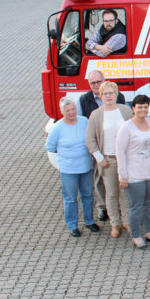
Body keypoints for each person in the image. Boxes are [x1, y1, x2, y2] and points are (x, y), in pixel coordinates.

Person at [86, 81, 134, 236]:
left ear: (116, 94)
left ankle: (126, 221)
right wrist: (100, 158)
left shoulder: (125, 110)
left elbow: (133, 131)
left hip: (125, 159)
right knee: (111, 193)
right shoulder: (96, 115)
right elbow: (90, 140)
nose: (108, 96)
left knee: (124, 192)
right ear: (101, 95)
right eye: (105, 93)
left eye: (111, 93)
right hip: (108, 160)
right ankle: (115, 223)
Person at [46, 97, 98, 237]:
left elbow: (91, 138)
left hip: (85, 166)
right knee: (70, 198)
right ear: (62, 112)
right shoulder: (58, 128)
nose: (71, 112)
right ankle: (72, 225)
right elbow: (50, 146)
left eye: (73, 109)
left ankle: (89, 221)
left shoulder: (84, 121)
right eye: (67, 110)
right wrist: (67, 155)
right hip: (69, 170)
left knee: (87, 195)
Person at [116, 95, 150, 249]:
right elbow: (120, 151)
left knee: (149, 204)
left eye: (145, 106)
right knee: (136, 206)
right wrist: (122, 175)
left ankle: (149, 231)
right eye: (139, 107)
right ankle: (136, 235)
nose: (143, 109)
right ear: (133, 108)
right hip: (134, 174)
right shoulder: (126, 127)